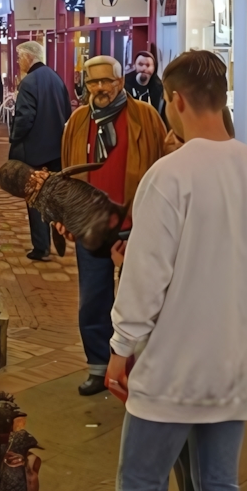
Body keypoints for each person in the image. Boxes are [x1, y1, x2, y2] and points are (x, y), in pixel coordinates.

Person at [107, 50, 247, 491]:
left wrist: (121, 348)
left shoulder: (170, 176)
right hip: (240, 363)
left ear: (176, 100)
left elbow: (146, 278)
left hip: (175, 367)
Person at [61, 55, 166, 396]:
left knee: (140, 300)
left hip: (137, 227)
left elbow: (165, 166)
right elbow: (67, 175)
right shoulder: (77, 122)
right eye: (94, 82)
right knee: (93, 299)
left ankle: (141, 366)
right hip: (91, 227)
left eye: (108, 81)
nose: (101, 88)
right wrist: (66, 217)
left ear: (121, 82)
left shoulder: (145, 117)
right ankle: (98, 367)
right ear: (86, 85)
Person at [8, 40, 73, 261]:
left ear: (29, 56)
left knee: (34, 197)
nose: (18, 62)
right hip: (56, 150)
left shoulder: (29, 83)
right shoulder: (56, 78)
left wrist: (14, 138)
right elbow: (66, 112)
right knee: (51, 195)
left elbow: (24, 118)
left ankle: (41, 247)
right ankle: (57, 228)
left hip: (34, 151)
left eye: (19, 57)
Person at [125, 51, 166, 120]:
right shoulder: (124, 86)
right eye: (140, 64)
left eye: (148, 65)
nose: (144, 69)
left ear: (154, 68)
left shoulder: (161, 90)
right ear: (134, 65)